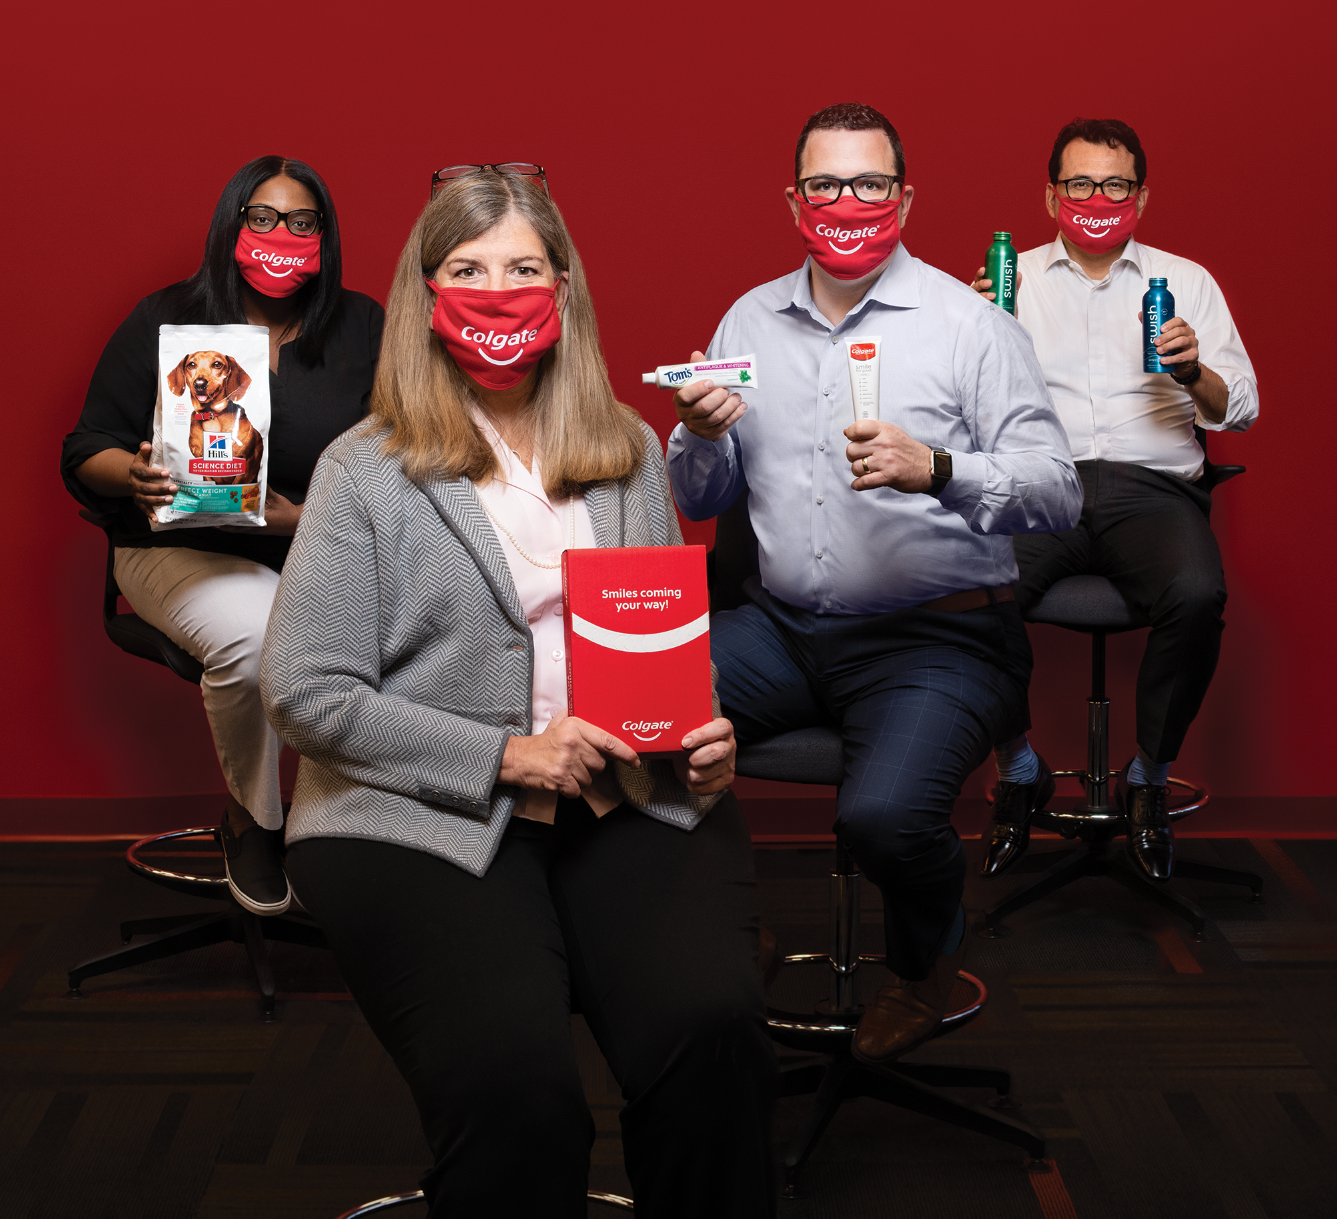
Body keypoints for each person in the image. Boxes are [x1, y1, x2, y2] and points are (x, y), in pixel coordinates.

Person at [259, 165, 776, 1219]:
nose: (498, 290)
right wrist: (504, 753)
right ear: (426, 293)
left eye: (523, 267)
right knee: (515, 1085)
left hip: (623, 794)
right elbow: (305, 689)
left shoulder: (627, 448)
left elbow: (660, 635)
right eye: (468, 268)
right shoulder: (364, 469)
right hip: (412, 815)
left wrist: (701, 730)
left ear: (564, 289)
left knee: (710, 1031)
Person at [667, 103, 1081, 1065]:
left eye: (868, 183)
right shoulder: (748, 319)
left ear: (903, 195)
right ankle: (729, 927)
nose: (846, 203)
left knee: (884, 816)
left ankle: (924, 964)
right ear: (793, 198)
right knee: (631, 719)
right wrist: (700, 432)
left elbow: (1058, 494)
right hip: (782, 628)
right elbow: (700, 498)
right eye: (824, 185)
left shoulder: (966, 325)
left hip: (937, 635)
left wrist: (937, 468)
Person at [61, 156, 382, 916]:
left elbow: (403, 453)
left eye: (302, 221)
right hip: (176, 548)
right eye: (262, 217)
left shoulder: (364, 326)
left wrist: (304, 521)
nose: (282, 234)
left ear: (324, 236)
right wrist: (132, 473)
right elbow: (86, 447)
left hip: (316, 548)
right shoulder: (167, 320)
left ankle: (362, 831)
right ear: (233, 225)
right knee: (261, 635)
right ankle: (256, 819)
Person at [971, 118, 1258, 882]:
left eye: (1114, 183)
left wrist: (1193, 371)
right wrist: (972, 338)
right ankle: (1018, 765)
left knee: (1198, 591)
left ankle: (1147, 780)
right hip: (1043, 480)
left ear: (1140, 194)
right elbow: (957, 412)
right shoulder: (1011, 279)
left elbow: (1241, 407)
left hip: (1150, 486)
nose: (1096, 197)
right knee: (966, 587)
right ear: (1050, 193)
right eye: (1079, 182)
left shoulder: (1185, 279)